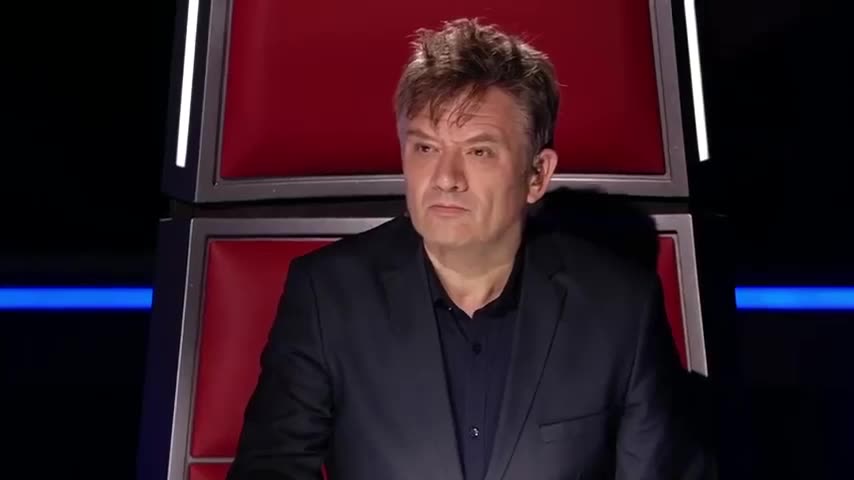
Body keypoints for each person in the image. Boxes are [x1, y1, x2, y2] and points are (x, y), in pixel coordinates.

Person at [227, 18, 697, 480]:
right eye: (426, 149)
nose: (446, 179)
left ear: (537, 175)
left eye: (478, 151)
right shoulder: (327, 295)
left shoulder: (620, 308)